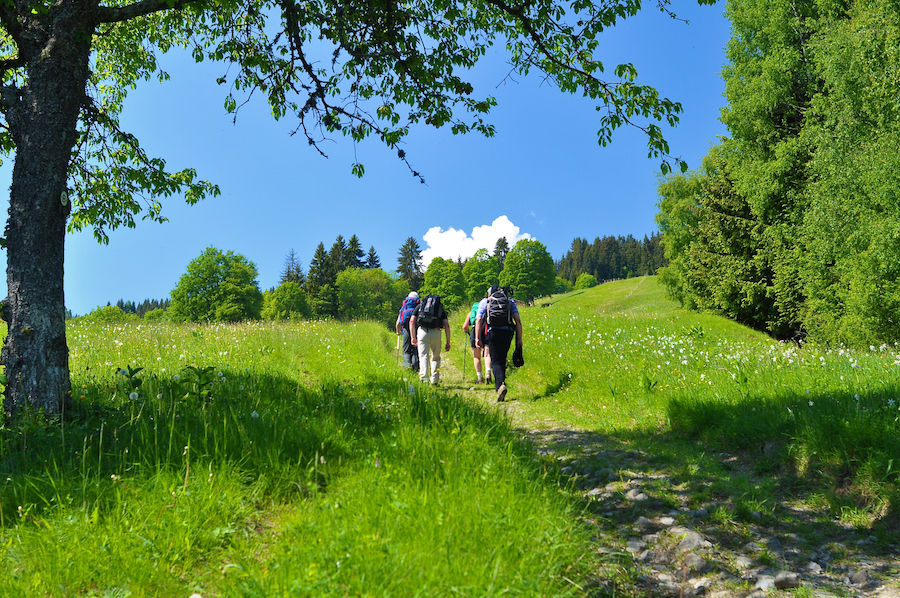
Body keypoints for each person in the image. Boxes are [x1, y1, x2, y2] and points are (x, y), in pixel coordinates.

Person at [475, 285, 523, 401]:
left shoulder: (485, 301)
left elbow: (479, 320)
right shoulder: (510, 301)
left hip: (493, 331)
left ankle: (500, 386)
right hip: (508, 332)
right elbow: (518, 321)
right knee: (502, 358)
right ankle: (501, 384)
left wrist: (477, 338)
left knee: (495, 361)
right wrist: (519, 340)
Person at [409, 294, 451, 385]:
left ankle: (424, 379)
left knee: (423, 356)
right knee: (436, 357)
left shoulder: (420, 307)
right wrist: (448, 342)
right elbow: (446, 325)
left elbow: (412, 321)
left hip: (422, 332)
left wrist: (413, 337)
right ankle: (434, 380)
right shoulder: (439, 309)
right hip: (436, 332)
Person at [461, 290, 491, 384]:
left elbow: (464, 327)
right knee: (487, 354)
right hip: (485, 329)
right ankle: (488, 372)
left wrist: (467, 331)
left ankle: (479, 377)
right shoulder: (486, 309)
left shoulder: (471, 313)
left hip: (474, 331)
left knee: (476, 356)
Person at [395, 291, 420, 371]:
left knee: (406, 349)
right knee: (416, 348)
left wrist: (398, 331)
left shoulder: (404, 307)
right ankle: (416, 366)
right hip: (417, 329)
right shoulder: (419, 306)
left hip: (405, 329)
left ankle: (406, 366)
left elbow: (398, 323)